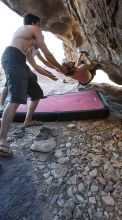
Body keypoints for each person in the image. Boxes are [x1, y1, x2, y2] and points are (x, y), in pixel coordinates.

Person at [0, 13, 65, 157]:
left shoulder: (27, 45)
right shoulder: (33, 28)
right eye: (40, 24)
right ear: (36, 23)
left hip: (20, 61)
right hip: (12, 58)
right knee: (16, 99)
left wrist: (50, 75)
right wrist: (61, 68)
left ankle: (27, 121)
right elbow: (47, 53)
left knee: (36, 94)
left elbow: (35, 66)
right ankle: (2, 139)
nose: (40, 28)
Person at [0, 43, 58, 110]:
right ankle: (1, 103)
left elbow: (44, 62)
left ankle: (33, 94)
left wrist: (55, 67)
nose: (42, 43)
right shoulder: (29, 46)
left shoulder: (37, 52)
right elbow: (34, 66)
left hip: (23, 64)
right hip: (13, 61)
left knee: (33, 77)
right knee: (8, 82)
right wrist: (49, 75)